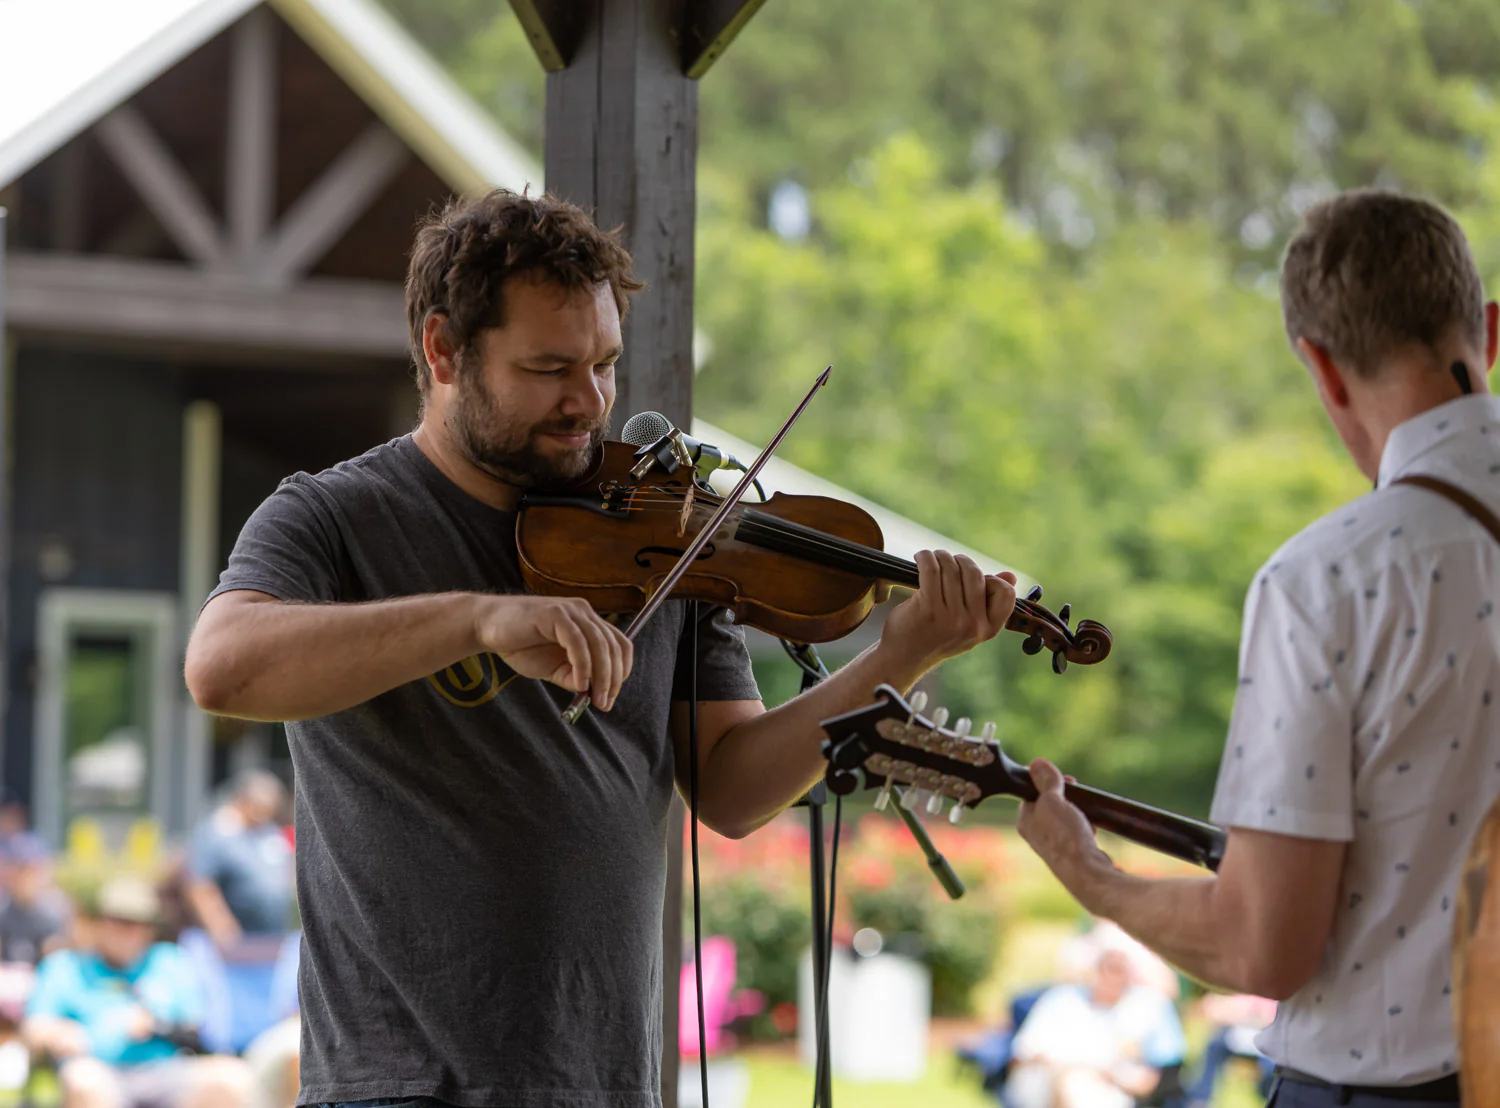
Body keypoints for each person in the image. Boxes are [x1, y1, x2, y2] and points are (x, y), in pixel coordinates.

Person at [183, 188, 1017, 1108]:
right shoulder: (333, 515)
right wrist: (478, 620)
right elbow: (223, 667)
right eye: (549, 369)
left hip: (611, 1083)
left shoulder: (665, 529)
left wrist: (900, 655)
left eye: (607, 364)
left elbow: (734, 789)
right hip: (402, 1086)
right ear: (443, 350)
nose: (591, 402)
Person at [1016, 188, 1500, 1105]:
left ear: (1321, 368)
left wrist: (1089, 872)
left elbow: (1262, 946)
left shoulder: (1328, 579)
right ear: (1489, 330)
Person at [22, 877, 254, 1108]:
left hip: (165, 1069)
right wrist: (61, 1033)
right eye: (117, 921)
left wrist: (156, 1023)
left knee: (231, 1077)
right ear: (98, 923)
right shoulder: (65, 967)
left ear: (150, 929)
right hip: (100, 1069)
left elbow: (196, 1025)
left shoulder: (170, 960)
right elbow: (35, 1028)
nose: (126, 932)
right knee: (83, 1079)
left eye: (135, 923)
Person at [1003, 947, 1180, 1108]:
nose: (1113, 977)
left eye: (1121, 970)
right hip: (1044, 1083)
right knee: (1070, 1084)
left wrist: (1106, 1074)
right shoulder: (1061, 1000)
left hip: (1107, 1091)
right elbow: (1021, 1055)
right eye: (1109, 968)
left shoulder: (1145, 1009)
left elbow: (1151, 1080)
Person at [185, 771, 293, 949]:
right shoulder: (218, 832)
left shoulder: (268, 830)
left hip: (272, 940)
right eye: (261, 805)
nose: (265, 812)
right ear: (244, 800)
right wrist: (219, 925)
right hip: (235, 944)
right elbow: (200, 885)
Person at [0, 833, 67, 966]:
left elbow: (55, 963)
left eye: (32, 871)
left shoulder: (53, 915)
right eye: (20, 871)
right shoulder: (3, 913)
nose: (26, 879)